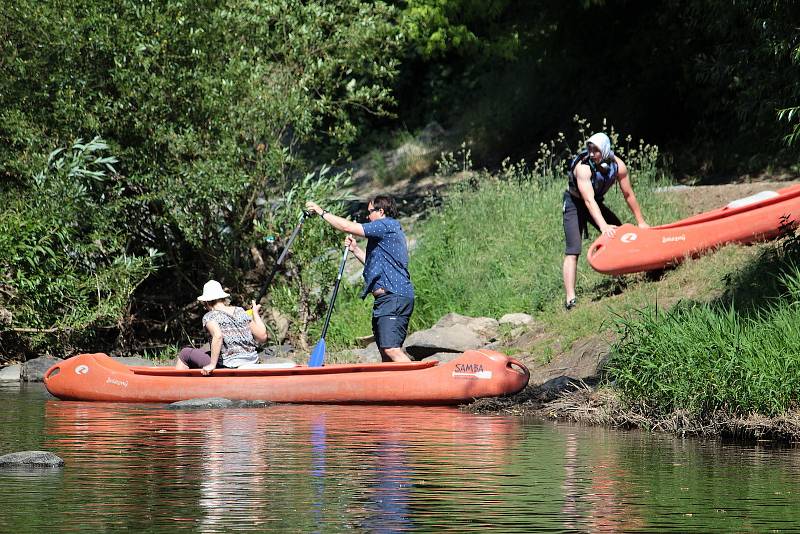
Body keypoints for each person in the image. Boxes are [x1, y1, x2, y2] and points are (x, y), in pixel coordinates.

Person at [305, 195, 414, 362]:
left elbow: (346, 226)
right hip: (386, 300)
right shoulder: (385, 234)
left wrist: (321, 212)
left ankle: (417, 383)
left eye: (370, 212)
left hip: (394, 297)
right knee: (386, 354)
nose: (367, 216)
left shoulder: (385, 225)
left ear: (381, 211)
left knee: (391, 350)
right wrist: (356, 250)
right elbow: (373, 266)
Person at [563, 132, 648, 310]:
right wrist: (603, 227)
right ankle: (570, 299)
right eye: (590, 149)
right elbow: (588, 201)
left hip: (595, 202)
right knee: (573, 249)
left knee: (620, 233)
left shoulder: (618, 165)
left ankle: (622, 277)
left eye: (596, 150)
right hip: (575, 204)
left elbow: (628, 194)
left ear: (605, 149)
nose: (592, 153)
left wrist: (641, 221)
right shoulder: (583, 168)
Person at [176, 280, 268, 375]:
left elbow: (218, 336)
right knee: (207, 353)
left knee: (185, 353)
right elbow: (262, 336)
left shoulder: (210, 316)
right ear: (222, 298)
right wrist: (255, 314)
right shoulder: (241, 311)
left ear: (206, 302)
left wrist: (212, 364)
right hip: (251, 360)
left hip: (229, 364)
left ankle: (179, 385)